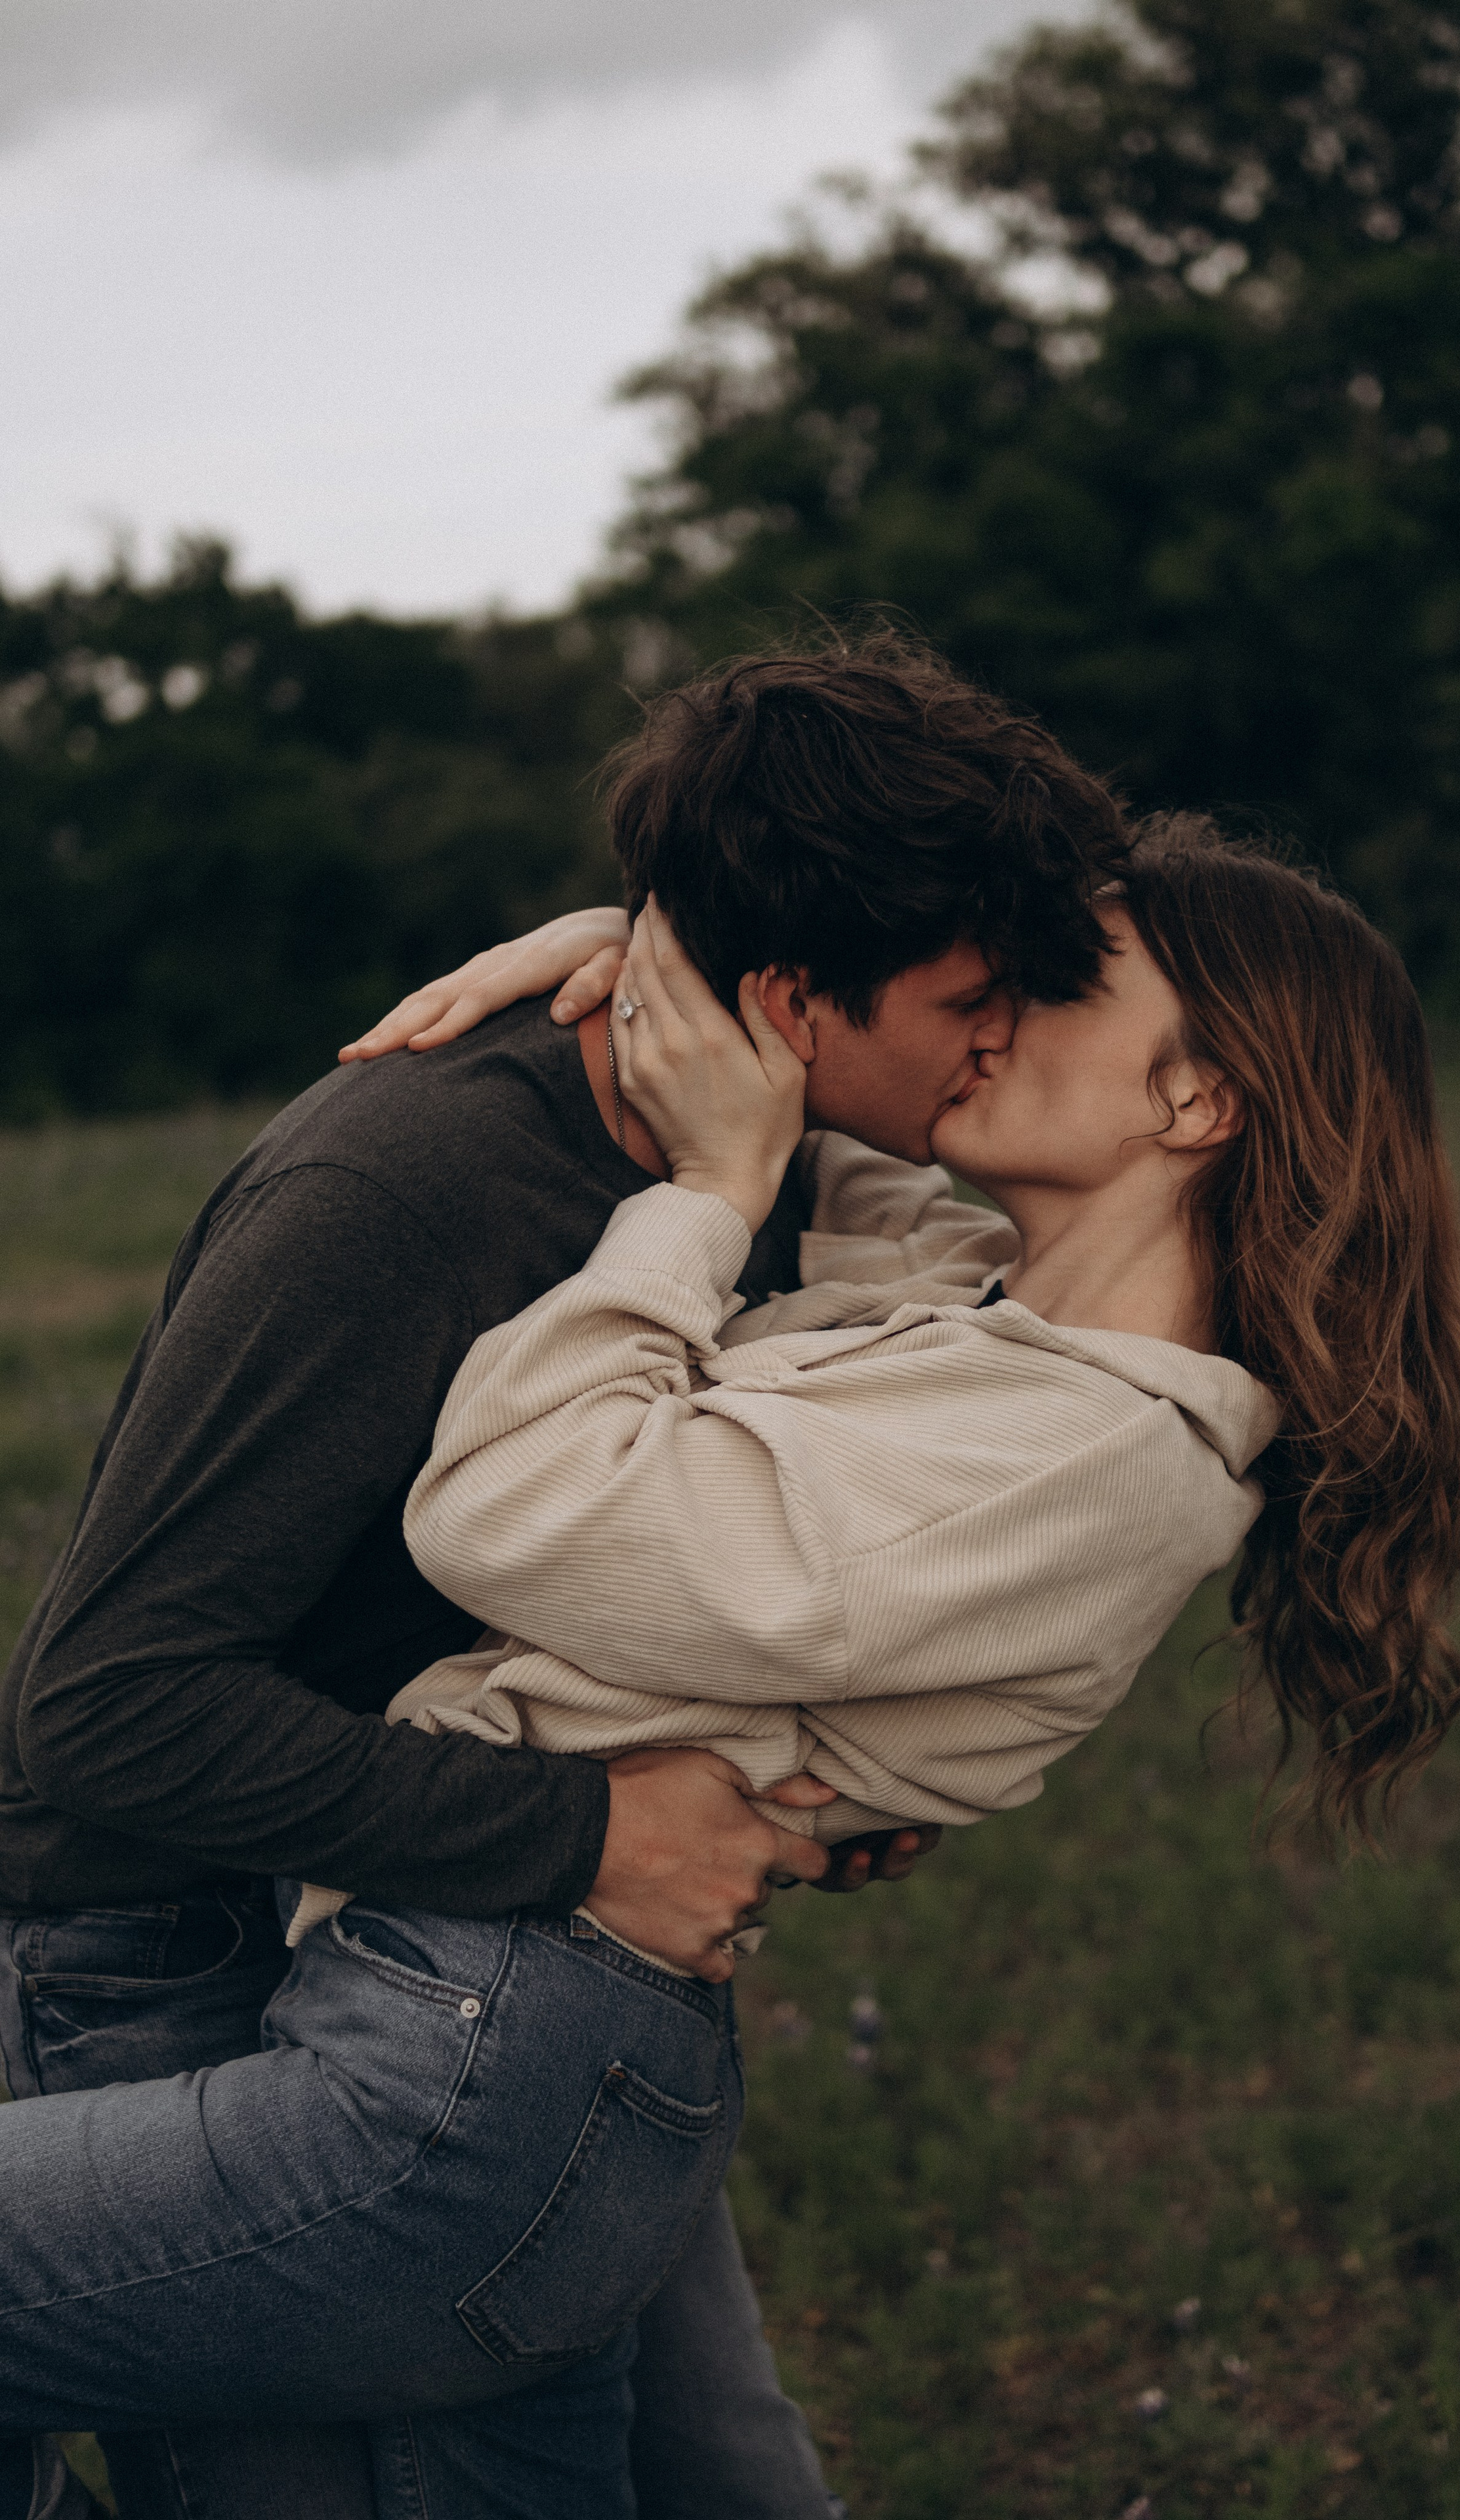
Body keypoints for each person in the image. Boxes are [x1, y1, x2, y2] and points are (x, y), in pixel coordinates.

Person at [0, 810, 1460, 2517]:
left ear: (1197, 1099)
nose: (990, 1011)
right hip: (485, 1991)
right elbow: (839, 1138)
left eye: (1055, 980)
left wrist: (709, 1199)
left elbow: (514, 1513)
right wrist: (669, 960)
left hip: (489, 2049)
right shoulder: (992, 1318)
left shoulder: (1072, 1443)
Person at [0, 636, 1126, 2520]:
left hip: (448, 1926)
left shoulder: (756, 1153)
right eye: (971, 1001)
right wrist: (590, 1827)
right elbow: (105, 1715)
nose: (1000, 1042)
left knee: (727, 2474)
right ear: (786, 999)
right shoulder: (399, 1195)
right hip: (155, 1939)